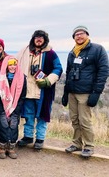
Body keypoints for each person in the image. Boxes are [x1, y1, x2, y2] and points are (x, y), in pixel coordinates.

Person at [62, 25, 109, 158]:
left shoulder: (97, 49)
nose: (79, 36)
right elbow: (69, 72)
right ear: (74, 38)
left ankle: (89, 146)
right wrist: (65, 92)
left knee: (85, 120)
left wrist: (96, 93)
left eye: (81, 33)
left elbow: (104, 71)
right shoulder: (72, 52)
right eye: (76, 34)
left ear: (87, 34)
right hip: (72, 91)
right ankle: (76, 143)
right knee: (75, 119)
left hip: (86, 92)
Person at [16, 30, 62, 150]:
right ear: (33, 39)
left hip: (43, 91)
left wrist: (48, 80)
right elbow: (15, 64)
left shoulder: (51, 54)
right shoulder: (26, 52)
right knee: (28, 115)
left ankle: (40, 139)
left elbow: (58, 68)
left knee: (42, 116)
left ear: (45, 39)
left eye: (42, 37)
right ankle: (28, 136)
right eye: (37, 37)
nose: (39, 39)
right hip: (28, 90)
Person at [0, 56, 26, 159]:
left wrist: (15, 109)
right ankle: (2, 147)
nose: (12, 67)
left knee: (13, 125)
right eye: (10, 64)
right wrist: (1, 109)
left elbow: (22, 95)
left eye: (14, 64)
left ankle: (11, 147)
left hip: (15, 107)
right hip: (2, 107)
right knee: (3, 125)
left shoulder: (22, 78)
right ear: (6, 66)